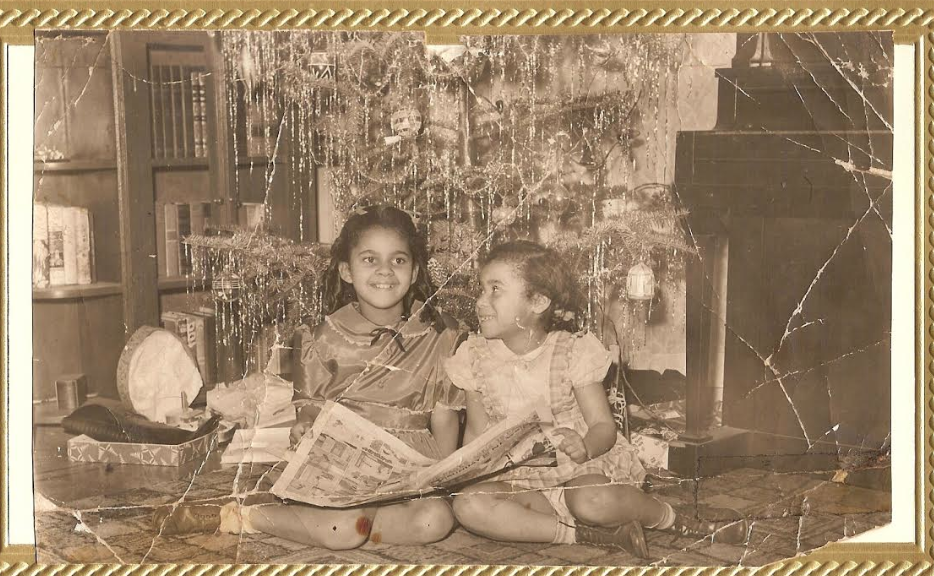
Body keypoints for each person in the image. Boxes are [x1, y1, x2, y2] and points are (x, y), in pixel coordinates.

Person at [153, 204, 465, 549]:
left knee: (436, 520)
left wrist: (440, 478)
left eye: (399, 260)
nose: (385, 271)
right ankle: (242, 517)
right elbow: (311, 413)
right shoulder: (323, 339)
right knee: (344, 530)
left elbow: (445, 417)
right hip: (347, 464)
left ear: (415, 270)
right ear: (346, 271)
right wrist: (304, 428)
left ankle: (344, 526)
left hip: (410, 468)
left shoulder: (439, 334)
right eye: (369, 260)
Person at [446, 240, 747, 558]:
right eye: (482, 289)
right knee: (468, 505)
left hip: (579, 472)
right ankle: (587, 536)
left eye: (495, 289)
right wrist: (458, 473)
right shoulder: (474, 356)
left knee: (592, 501)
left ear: (538, 301)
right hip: (520, 484)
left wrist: (585, 446)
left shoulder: (571, 350)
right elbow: (476, 435)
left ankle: (671, 519)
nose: (480, 301)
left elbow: (603, 426)